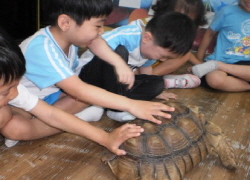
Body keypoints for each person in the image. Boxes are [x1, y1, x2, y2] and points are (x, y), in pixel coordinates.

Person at [19, 0, 174, 127]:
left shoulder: (67, 36)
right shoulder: (42, 48)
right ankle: (68, 120)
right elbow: (79, 90)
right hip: (27, 104)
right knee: (85, 96)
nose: (101, 31)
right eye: (97, 25)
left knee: (90, 96)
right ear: (65, 22)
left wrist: (119, 64)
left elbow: (97, 42)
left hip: (54, 95)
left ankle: (78, 116)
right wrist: (131, 105)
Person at [0, 26, 144, 155]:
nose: (14, 92)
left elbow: (51, 114)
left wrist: (105, 138)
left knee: (7, 118)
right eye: (5, 92)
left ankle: (80, 117)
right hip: (39, 102)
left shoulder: (14, 89)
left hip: (50, 99)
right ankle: (80, 117)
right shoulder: (40, 47)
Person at [79, 12, 197, 120]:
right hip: (88, 76)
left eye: (167, 58)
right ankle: (116, 108)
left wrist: (154, 91)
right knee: (119, 51)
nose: (163, 59)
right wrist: (119, 64)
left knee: (157, 83)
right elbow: (96, 43)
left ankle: (105, 106)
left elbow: (146, 71)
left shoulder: (149, 49)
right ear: (147, 38)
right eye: (162, 55)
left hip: (114, 86)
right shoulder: (127, 36)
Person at [191, 0, 250, 92]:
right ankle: (218, 65)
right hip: (223, 60)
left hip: (247, 66)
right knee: (214, 79)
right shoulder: (226, 11)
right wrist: (199, 60)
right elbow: (209, 34)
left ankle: (218, 66)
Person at [149, 0, 207, 88]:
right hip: (139, 65)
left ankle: (154, 77)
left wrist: (202, 66)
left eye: (188, 20)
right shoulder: (154, 25)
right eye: (178, 16)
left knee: (185, 54)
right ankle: (147, 78)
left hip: (155, 67)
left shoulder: (183, 32)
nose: (181, 22)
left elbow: (186, 53)